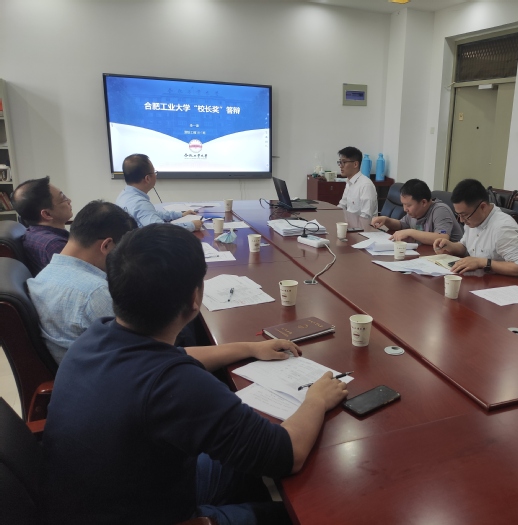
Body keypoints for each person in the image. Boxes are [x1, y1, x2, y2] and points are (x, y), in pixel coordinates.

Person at [41, 223, 349, 525]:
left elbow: (177, 356)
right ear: (195, 299)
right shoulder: (177, 385)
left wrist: (249, 348)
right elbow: (288, 454)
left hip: (107, 495)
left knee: (249, 464)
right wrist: (316, 400)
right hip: (151, 513)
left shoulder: (96, 337)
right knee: (307, 514)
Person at [26, 200, 137, 364]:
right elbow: (135, 350)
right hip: (106, 372)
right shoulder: (94, 294)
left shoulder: (42, 276)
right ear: (106, 245)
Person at [433, 179, 518, 277]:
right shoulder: (473, 219)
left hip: (498, 282)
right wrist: (449, 246)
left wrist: (483, 262)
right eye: (458, 215)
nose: (461, 220)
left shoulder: (503, 227)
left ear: (483, 207)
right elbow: (465, 247)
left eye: (464, 215)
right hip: (477, 279)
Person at [115, 153, 203, 231]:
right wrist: (192, 225)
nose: (155, 175)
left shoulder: (124, 195)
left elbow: (152, 214)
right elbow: (161, 230)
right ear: (147, 178)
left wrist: (180, 215)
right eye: (154, 172)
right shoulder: (140, 203)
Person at [9, 176, 72, 275]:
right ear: (47, 214)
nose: (69, 200)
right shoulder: (54, 245)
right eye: (63, 198)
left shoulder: (32, 233)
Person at [370, 178, 462, 244]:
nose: (405, 209)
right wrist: (386, 220)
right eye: (403, 204)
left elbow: (442, 237)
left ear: (423, 202)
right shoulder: (415, 212)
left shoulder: (440, 210)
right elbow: (401, 225)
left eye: (408, 205)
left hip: (452, 258)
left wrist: (411, 232)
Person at [337, 146, 378, 219]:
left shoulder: (366, 185)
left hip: (363, 225)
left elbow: (366, 216)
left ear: (355, 164)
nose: (340, 166)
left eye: (344, 162)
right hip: (349, 222)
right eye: (340, 162)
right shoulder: (349, 182)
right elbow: (342, 205)